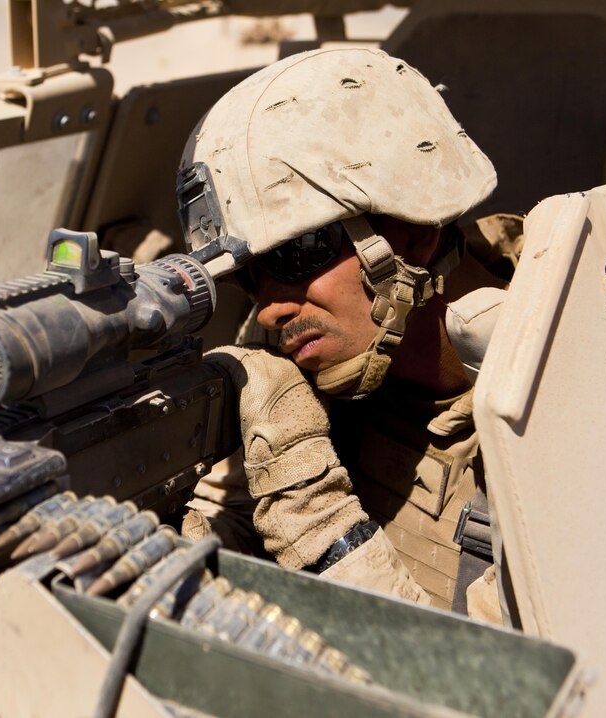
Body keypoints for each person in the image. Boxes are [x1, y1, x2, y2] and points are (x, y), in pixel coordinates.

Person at [175, 47, 513, 622]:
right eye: (251, 280)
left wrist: (308, 506)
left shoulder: (571, 401)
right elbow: (234, 534)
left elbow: (480, 695)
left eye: (295, 254)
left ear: (413, 233)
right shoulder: (325, 362)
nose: (269, 310)